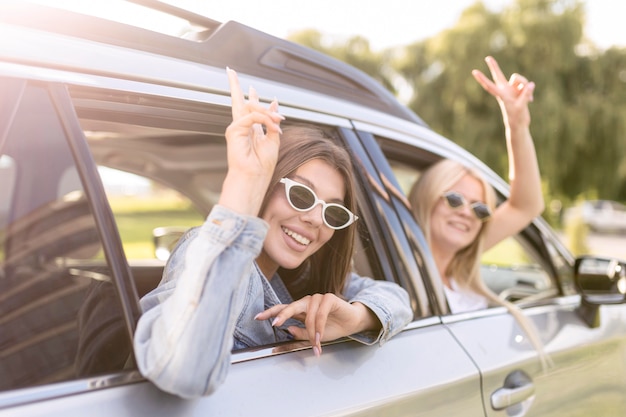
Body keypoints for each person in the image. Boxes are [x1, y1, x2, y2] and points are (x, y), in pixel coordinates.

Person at [133, 68, 413, 399]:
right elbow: (182, 372)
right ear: (267, 184)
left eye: (333, 212)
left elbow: (397, 298)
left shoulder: (310, 276)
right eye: (302, 195)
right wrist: (244, 179)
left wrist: (355, 318)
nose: (314, 219)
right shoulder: (206, 250)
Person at [408, 56, 550, 366]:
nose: (468, 214)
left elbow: (527, 205)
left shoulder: (463, 264)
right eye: (455, 199)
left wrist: (517, 124)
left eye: (481, 208)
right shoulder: (396, 259)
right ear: (426, 197)